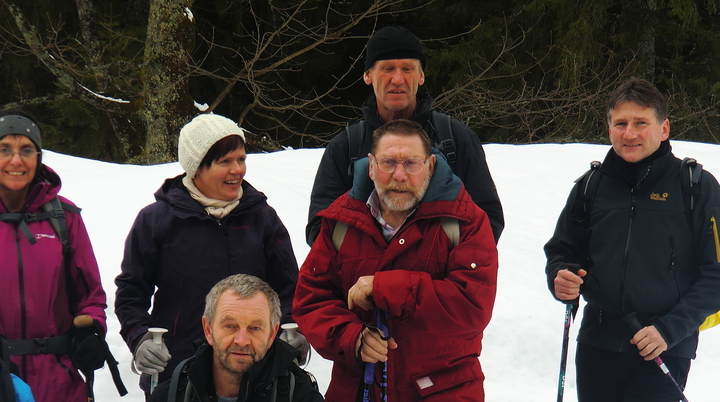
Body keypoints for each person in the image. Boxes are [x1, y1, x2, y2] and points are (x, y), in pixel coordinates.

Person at [294, 119, 498, 401]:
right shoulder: (341, 220)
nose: (399, 175)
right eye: (388, 162)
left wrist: (385, 288)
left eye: (411, 163)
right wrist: (352, 338)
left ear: (430, 165)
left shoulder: (465, 221)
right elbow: (311, 299)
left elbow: (472, 307)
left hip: (442, 390)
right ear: (372, 165)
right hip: (357, 388)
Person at [544, 78, 720, 401]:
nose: (629, 133)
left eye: (641, 123)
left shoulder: (696, 187)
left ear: (664, 128)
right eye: (620, 123)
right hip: (597, 344)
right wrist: (560, 276)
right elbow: (562, 251)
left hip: (662, 348)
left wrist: (670, 330)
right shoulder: (590, 187)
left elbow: (716, 276)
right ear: (609, 129)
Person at [115, 113, 307, 395]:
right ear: (196, 167)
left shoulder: (262, 219)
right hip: (178, 373)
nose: (237, 170)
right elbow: (131, 291)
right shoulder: (157, 220)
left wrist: (295, 329)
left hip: (255, 372)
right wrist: (140, 338)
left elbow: (291, 288)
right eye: (225, 161)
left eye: (241, 159)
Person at [306, 25, 504, 246]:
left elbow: (488, 223)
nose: (398, 79)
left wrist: (424, 270)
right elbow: (319, 231)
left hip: (438, 279)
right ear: (368, 76)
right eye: (387, 68)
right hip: (361, 280)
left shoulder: (456, 139)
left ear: (421, 76)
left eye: (407, 69)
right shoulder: (345, 147)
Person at [0, 111, 109, 402]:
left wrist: (92, 332)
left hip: (58, 379)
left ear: (38, 158)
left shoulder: (63, 217)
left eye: (26, 150)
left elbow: (91, 296)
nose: (15, 160)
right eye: (4, 150)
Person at [148, 274, 323, 402]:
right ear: (208, 330)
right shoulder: (171, 395)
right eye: (230, 326)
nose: (242, 340)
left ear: (271, 334)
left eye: (255, 328)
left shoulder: (301, 396)